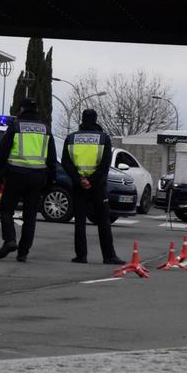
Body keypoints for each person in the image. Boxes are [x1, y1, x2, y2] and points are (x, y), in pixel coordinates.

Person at [0, 97, 57, 262]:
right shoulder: (46, 129)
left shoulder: (15, 126)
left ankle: (10, 240)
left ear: (21, 110)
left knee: (6, 209)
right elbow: (52, 158)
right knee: (30, 216)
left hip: (16, 175)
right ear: (36, 111)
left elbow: (2, 152)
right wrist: (50, 181)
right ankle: (23, 252)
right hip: (38, 177)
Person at [61, 108, 124, 266]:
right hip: (97, 186)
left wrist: (79, 179)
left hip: (78, 185)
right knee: (103, 220)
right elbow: (105, 165)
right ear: (96, 120)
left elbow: (66, 163)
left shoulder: (71, 138)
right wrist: (92, 180)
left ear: (82, 120)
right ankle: (109, 256)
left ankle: (81, 255)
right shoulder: (103, 138)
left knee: (80, 221)